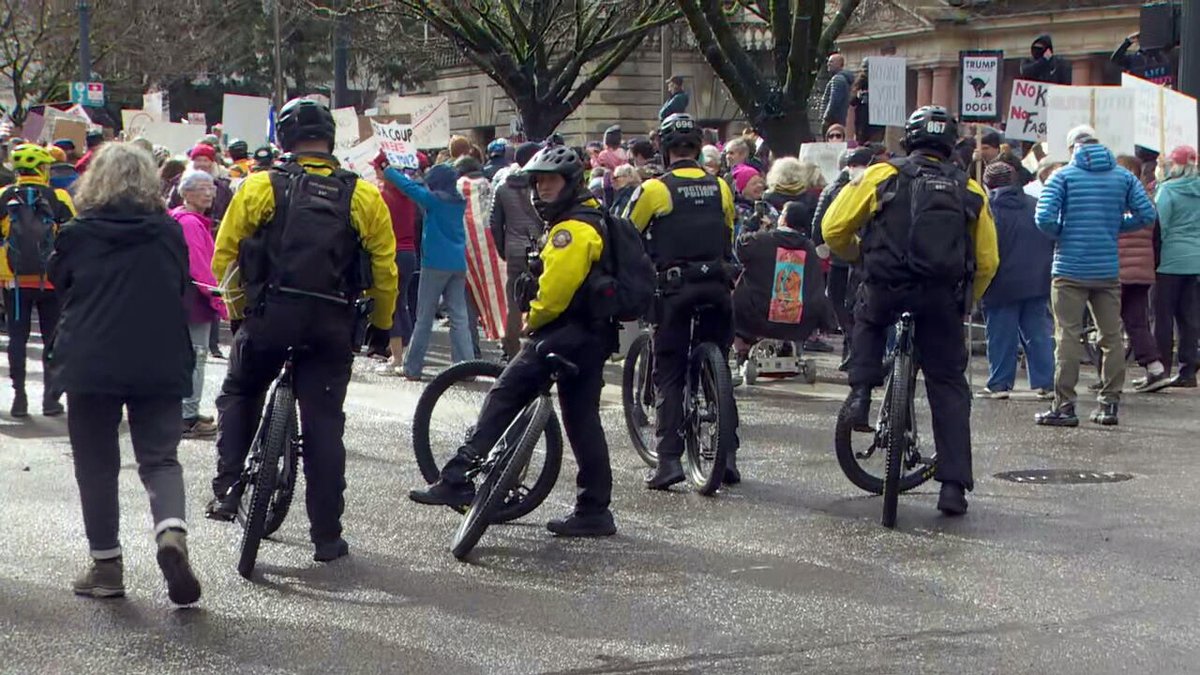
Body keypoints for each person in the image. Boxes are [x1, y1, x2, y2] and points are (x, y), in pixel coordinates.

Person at [207, 98, 398, 563]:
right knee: (324, 427)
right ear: (330, 139)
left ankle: (229, 488)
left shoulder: (258, 186)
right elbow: (385, 272)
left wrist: (237, 313)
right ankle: (327, 537)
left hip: (271, 315)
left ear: (285, 140)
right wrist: (380, 326)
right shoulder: (365, 195)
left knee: (241, 391)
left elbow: (224, 258)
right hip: (331, 323)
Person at [410, 145, 619, 537]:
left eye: (551, 182)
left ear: (571, 184)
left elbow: (555, 294)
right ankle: (594, 509)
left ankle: (458, 475)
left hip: (563, 332)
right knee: (582, 420)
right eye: (538, 183)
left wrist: (530, 321)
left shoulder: (571, 230)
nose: (542, 191)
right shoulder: (591, 216)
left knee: (505, 393)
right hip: (593, 334)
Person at [822, 105, 999, 516]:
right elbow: (988, 260)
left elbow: (833, 228)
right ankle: (953, 485)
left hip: (887, 285)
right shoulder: (970, 190)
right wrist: (966, 298)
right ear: (951, 145)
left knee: (868, 318)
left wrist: (861, 257)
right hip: (940, 296)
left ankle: (862, 394)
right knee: (949, 385)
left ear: (909, 140)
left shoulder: (883, 174)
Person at [49, 142, 201, 604]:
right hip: (158, 356)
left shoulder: (77, 233)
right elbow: (179, 284)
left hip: (92, 360)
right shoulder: (167, 232)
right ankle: (170, 532)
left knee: (97, 465)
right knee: (160, 457)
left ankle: (107, 567)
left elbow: (61, 281)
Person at [625, 113, 739, 488]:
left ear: (665, 149)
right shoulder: (720, 186)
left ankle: (669, 460)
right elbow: (729, 231)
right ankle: (729, 456)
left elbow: (628, 233)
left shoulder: (656, 189)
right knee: (716, 363)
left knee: (669, 371)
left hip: (675, 291)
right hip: (718, 288)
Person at [1033, 126, 1156, 427]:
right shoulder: (1124, 177)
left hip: (1069, 270)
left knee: (1068, 338)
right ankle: (1109, 405)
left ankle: (1064, 406)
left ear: (1073, 147)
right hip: (1107, 270)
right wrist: (1115, 227)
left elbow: (1044, 218)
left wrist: (1064, 233)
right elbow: (1146, 214)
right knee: (1111, 337)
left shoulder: (1061, 177)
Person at [1, 143, 76, 417]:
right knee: (51, 339)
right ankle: (50, 398)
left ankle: (19, 397)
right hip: (51, 280)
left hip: (14, 281)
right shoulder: (59, 198)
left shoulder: (3, 196)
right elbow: (74, 236)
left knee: (17, 338)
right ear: (42, 169)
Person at [384, 162, 473, 380]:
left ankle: (412, 368)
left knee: (424, 317)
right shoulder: (458, 202)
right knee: (459, 318)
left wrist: (388, 170)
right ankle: (467, 369)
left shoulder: (434, 201)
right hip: (458, 263)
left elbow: (410, 188)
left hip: (434, 263)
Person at [975, 161, 1055, 399]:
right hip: (1037, 280)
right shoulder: (1035, 205)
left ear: (988, 185)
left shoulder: (988, 210)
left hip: (1001, 282)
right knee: (1037, 333)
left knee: (1001, 335)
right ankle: (1045, 382)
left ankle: (1000, 383)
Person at [732, 200, 829, 368]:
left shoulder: (761, 240)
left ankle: (741, 351)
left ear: (783, 220)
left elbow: (740, 245)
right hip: (800, 319)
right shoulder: (810, 249)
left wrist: (752, 223)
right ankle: (786, 345)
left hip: (757, 314)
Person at [169, 170, 226, 438]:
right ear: (186, 192)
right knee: (197, 356)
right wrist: (218, 298)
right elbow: (200, 267)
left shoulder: (180, 218)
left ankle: (182, 411)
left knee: (185, 356)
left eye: (211, 188)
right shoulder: (191, 223)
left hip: (179, 298)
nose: (209, 193)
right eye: (202, 188)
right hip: (193, 300)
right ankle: (188, 416)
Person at [812, 146, 875, 367]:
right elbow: (820, 220)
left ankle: (854, 347)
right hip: (842, 255)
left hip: (860, 255)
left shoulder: (870, 187)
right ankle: (851, 342)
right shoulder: (833, 190)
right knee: (840, 301)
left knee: (852, 302)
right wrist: (821, 244)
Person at [1114, 155, 1172, 393]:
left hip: (1117, 271)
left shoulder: (1114, 201)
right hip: (1143, 272)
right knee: (1137, 322)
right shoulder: (1147, 202)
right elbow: (1157, 241)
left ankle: (1109, 375)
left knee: (1108, 324)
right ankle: (1155, 368)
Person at [489, 142, 543, 360]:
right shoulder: (542, 184)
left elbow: (495, 222)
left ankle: (511, 351)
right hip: (540, 247)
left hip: (514, 248)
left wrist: (503, 249)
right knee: (542, 297)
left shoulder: (502, 186)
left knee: (514, 300)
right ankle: (537, 346)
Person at [1153, 145, 1200, 388]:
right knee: (1189, 318)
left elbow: (1160, 226)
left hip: (1169, 262)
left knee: (1162, 317)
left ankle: (1161, 368)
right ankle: (1188, 371)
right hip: (1195, 260)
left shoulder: (1167, 190)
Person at [372, 151, 419, 374]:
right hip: (409, 252)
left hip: (392, 252)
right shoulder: (408, 193)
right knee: (403, 305)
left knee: (392, 305)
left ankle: (397, 358)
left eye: (377, 168)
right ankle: (406, 354)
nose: (374, 171)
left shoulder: (382, 195)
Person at [849, 60, 883, 144]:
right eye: (865, 70)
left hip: (877, 122)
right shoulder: (859, 83)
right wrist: (858, 95)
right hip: (863, 120)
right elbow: (851, 101)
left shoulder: (881, 82)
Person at [822, 53, 856, 130]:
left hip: (832, 121)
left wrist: (826, 117)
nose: (828, 64)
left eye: (831, 62)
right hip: (838, 121)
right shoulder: (843, 79)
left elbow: (834, 101)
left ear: (839, 64)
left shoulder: (838, 79)